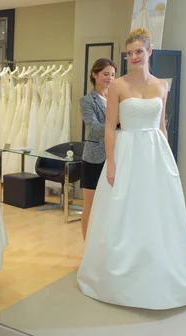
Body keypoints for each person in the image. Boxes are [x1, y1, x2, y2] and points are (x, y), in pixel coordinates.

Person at [77, 28, 186, 310]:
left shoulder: (162, 86)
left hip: (155, 153)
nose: (133, 57)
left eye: (138, 51)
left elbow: (161, 127)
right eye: (129, 53)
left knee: (156, 209)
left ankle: (157, 267)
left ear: (149, 53)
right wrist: (111, 162)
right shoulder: (118, 86)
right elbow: (110, 126)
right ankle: (119, 272)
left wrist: (167, 159)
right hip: (127, 150)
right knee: (124, 209)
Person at [79, 58, 116, 240]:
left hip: (116, 157)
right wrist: (115, 122)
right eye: (105, 74)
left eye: (113, 75)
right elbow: (93, 130)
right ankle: (87, 248)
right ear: (95, 75)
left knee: (111, 206)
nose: (110, 78)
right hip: (94, 159)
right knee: (90, 206)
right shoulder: (87, 101)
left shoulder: (119, 97)